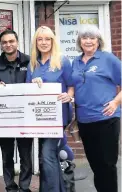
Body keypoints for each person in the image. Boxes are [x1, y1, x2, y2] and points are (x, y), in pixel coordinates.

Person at [72, 25, 121, 192]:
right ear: (80, 41)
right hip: (85, 121)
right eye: (85, 38)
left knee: (107, 165)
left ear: (98, 41)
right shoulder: (76, 61)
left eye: (92, 38)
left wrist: (115, 102)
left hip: (106, 119)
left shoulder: (108, 59)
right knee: (95, 165)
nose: (88, 41)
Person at [26, 26, 74, 192]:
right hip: (39, 117)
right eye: (40, 39)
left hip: (58, 116)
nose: (44, 42)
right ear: (36, 43)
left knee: (47, 155)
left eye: (47, 39)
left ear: (53, 41)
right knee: (49, 157)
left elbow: (72, 85)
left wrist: (69, 96)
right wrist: (33, 84)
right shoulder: (33, 64)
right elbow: (26, 91)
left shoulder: (62, 60)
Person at [0, 30, 32, 192]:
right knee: (7, 155)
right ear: (1, 44)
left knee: (25, 154)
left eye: (11, 41)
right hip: (5, 117)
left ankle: (25, 187)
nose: (8, 44)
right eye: (5, 42)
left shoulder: (29, 61)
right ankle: (10, 186)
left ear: (17, 42)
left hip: (25, 116)